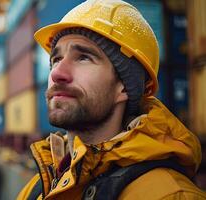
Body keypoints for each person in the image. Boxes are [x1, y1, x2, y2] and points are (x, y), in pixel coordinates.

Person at [17, 0, 206, 199]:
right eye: (56, 60)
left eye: (83, 57)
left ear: (124, 86)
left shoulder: (171, 195)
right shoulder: (36, 188)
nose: (57, 73)